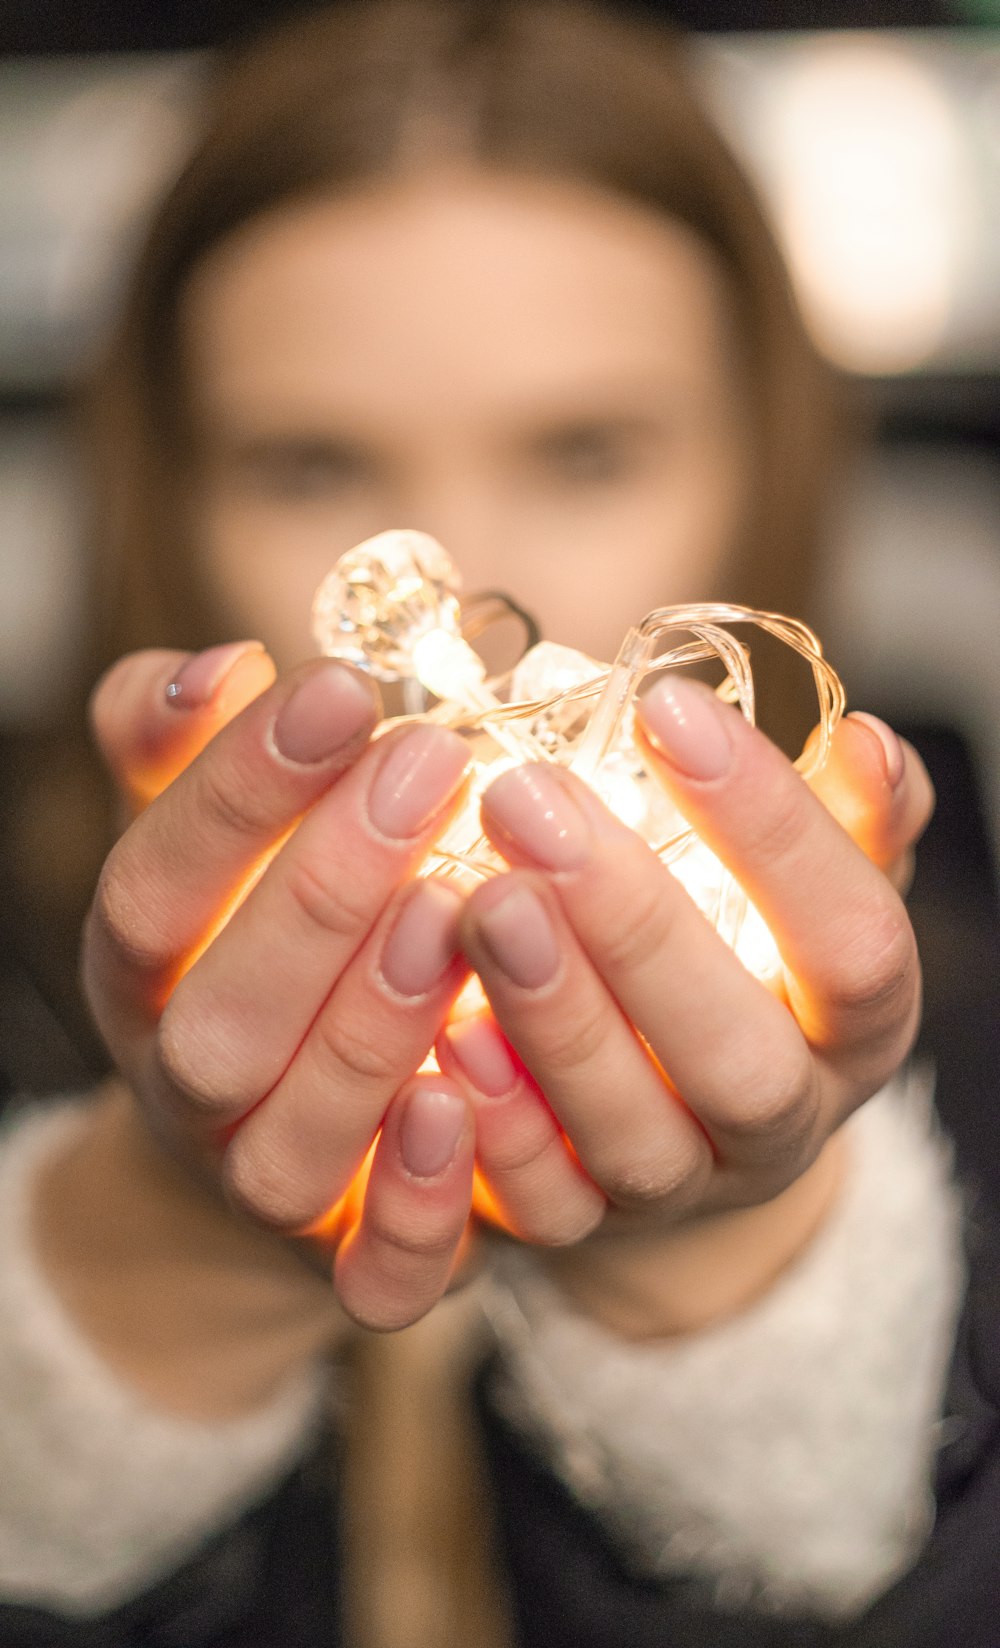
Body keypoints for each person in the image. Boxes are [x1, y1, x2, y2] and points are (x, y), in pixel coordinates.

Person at [1, 3, 995, 1645]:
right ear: (161, 491)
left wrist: (731, 1284)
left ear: (768, 458)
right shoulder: (35, 955)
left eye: (589, 451)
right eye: (311, 461)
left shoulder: (966, 926)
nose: (469, 587)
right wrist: (158, 1249)